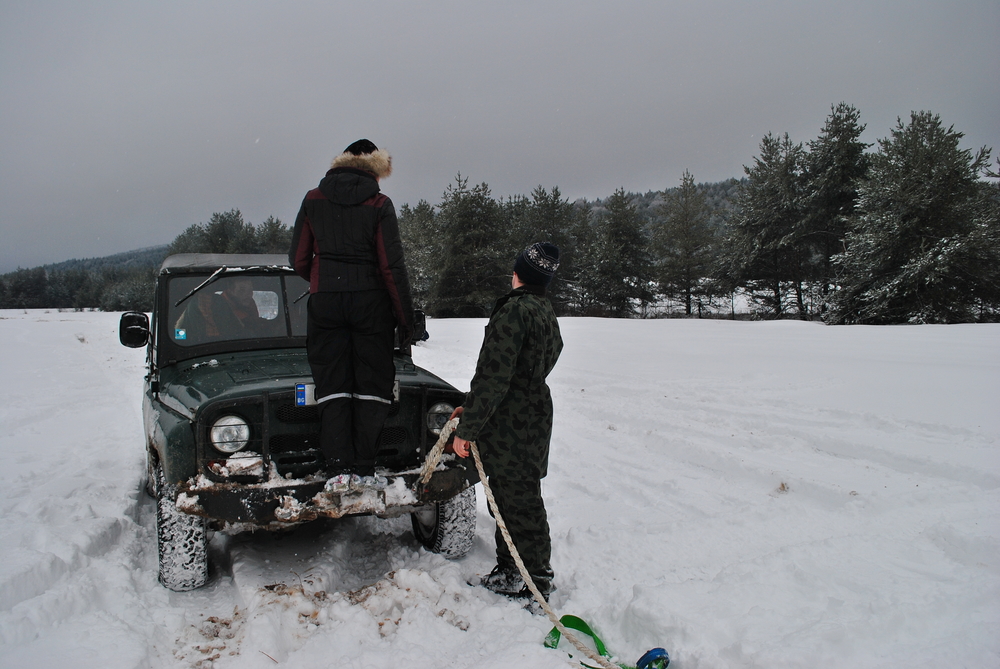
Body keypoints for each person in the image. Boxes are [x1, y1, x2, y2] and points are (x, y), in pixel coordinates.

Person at [288, 139, 414, 490]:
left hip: (325, 302)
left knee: (333, 385)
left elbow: (297, 259)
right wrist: (405, 319)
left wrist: (324, 278)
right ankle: (363, 468)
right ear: (375, 167)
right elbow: (392, 266)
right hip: (371, 304)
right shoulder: (379, 203)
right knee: (372, 385)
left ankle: (337, 468)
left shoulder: (313, 198)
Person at [450, 242, 563, 606]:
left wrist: (466, 431)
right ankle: (520, 571)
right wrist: (470, 408)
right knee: (517, 495)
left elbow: (493, 378)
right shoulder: (544, 309)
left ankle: (527, 578)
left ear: (519, 274)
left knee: (516, 498)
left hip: (510, 420)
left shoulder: (515, 312)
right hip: (533, 412)